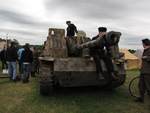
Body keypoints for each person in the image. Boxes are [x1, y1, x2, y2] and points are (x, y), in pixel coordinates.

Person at [135, 38, 150, 103]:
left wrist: (146, 57)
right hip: (143, 71)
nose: (142, 45)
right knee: (141, 85)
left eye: (142, 43)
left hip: (148, 72)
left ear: (145, 43)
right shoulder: (145, 50)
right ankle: (141, 98)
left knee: (148, 87)